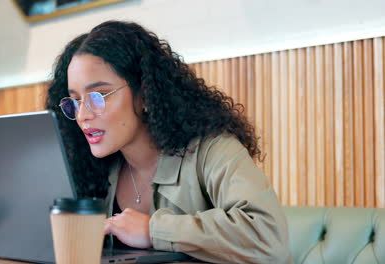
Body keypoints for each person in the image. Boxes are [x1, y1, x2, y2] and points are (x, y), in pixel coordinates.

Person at [45, 20, 292, 263]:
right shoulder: (94, 168)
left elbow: (268, 237)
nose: (83, 115)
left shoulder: (213, 149)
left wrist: (153, 230)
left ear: (144, 94)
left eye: (98, 96)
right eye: (74, 101)